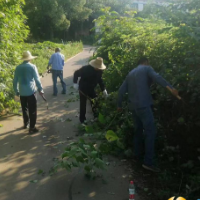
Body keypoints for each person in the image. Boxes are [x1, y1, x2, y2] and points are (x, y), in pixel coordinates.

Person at [117, 57, 180, 172]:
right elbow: (157, 78)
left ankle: (137, 155)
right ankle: (148, 162)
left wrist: (119, 105)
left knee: (138, 131)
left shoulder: (130, 73)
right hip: (144, 106)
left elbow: (121, 91)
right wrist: (171, 88)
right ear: (145, 62)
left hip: (134, 108)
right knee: (150, 132)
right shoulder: (147, 68)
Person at [13, 51, 44, 134]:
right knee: (32, 110)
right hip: (31, 92)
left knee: (24, 109)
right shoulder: (32, 67)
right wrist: (41, 89)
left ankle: (25, 124)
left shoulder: (18, 67)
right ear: (30, 59)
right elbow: (37, 79)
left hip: (22, 92)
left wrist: (16, 91)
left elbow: (15, 81)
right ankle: (32, 127)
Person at [73, 57, 108, 124]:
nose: (98, 68)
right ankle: (82, 120)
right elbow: (76, 73)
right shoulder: (86, 69)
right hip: (83, 88)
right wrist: (75, 83)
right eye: (97, 67)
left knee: (94, 101)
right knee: (83, 104)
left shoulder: (100, 71)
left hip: (91, 88)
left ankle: (96, 116)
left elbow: (100, 80)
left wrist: (103, 89)